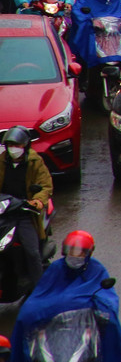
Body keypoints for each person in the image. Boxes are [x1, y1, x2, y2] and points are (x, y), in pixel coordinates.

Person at [10, 229, 121, 362]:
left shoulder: (96, 269)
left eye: (79, 252)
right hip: (54, 326)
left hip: (85, 323)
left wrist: (101, 309)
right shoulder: (56, 268)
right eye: (71, 251)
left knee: (111, 324)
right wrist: (33, 311)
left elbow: (107, 297)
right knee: (24, 317)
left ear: (88, 253)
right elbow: (41, 295)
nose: (75, 256)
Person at [0, 127, 51, 296]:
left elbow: (45, 186)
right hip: (4, 211)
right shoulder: (1, 162)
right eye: (10, 145)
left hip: (24, 212)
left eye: (17, 144)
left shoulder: (36, 163)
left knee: (32, 251)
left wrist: (37, 201)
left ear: (25, 145)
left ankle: (40, 291)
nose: (13, 148)